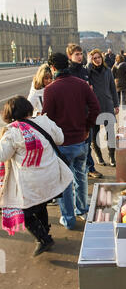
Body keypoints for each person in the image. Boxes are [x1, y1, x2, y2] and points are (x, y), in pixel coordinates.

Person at [0, 96, 73, 256]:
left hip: (30, 183)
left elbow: (2, 155)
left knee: (23, 213)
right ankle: (45, 232)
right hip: (50, 177)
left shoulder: (12, 133)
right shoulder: (44, 121)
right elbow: (60, 139)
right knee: (41, 205)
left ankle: (43, 239)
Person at [43, 53, 100, 229]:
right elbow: (96, 108)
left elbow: (47, 119)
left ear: (53, 68)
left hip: (62, 145)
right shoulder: (82, 84)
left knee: (64, 182)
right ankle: (82, 209)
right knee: (81, 176)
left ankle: (68, 218)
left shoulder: (50, 89)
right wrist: (86, 128)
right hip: (81, 141)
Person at [66, 43, 101, 179]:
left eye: (81, 54)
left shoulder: (84, 71)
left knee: (87, 143)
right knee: (78, 145)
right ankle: (80, 171)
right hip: (75, 114)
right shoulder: (69, 72)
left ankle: (89, 168)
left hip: (86, 112)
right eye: (77, 54)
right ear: (70, 56)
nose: (79, 57)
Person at [87, 49, 119, 167]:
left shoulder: (108, 71)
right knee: (95, 133)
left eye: (98, 57)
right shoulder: (89, 71)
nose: (97, 60)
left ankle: (111, 156)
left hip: (107, 104)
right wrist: (89, 64)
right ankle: (99, 156)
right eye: (94, 58)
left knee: (110, 132)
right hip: (94, 106)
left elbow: (113, 88)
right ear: (91, 59)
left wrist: (116, 104)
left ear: (102, 58)